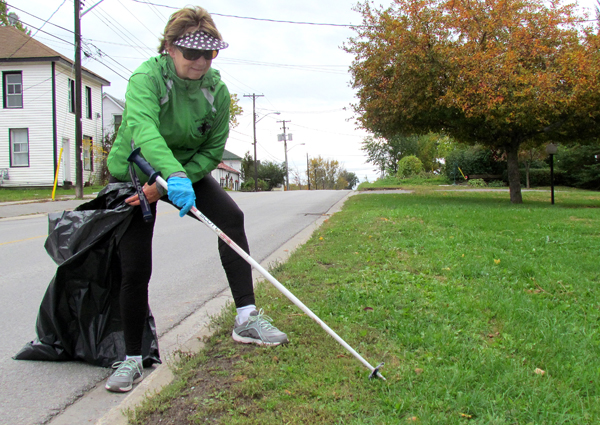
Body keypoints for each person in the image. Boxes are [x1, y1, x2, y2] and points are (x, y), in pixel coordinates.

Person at [104, 6, 288, 393]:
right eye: (192, 53)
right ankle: (133, 358)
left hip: (182, 173)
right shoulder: (146, 78)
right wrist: (164, 179)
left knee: (231, 219)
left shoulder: (216, 91)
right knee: (136, 265)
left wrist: (179, 178)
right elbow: (144, 130)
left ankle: (247, 318)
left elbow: (212, 149)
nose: (201, 62)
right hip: (136, 172)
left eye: (210, 53)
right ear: (169, 47)